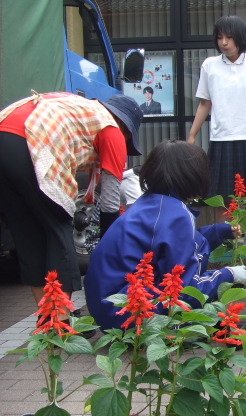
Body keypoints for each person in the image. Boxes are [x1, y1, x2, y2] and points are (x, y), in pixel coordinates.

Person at [84, 140, 246, 331]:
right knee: (209, 319)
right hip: (133, 315)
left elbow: (172, 246)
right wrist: (226, 274)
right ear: (193, 176)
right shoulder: (177, 214)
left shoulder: (149, 203)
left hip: (107, 311)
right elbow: (183, 289)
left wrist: (218, 231)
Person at [0, 91, 143, 307]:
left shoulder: (79, 108)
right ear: (126, 130)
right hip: (31, 140)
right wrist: (107, 248)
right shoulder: (112, 129)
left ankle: (47, 319)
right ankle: (62, 321)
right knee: (58, 230)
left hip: (4, 132)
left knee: (28, 235)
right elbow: (110, 202)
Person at [187, 15, 246, 218]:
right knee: (222, 195)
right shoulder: (209, 65)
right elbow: (204, 103)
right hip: (221, 137)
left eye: (229, 37)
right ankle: (226, 236)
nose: (223, 43)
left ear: (240, 38)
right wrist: (191, 135)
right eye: (219, 37)